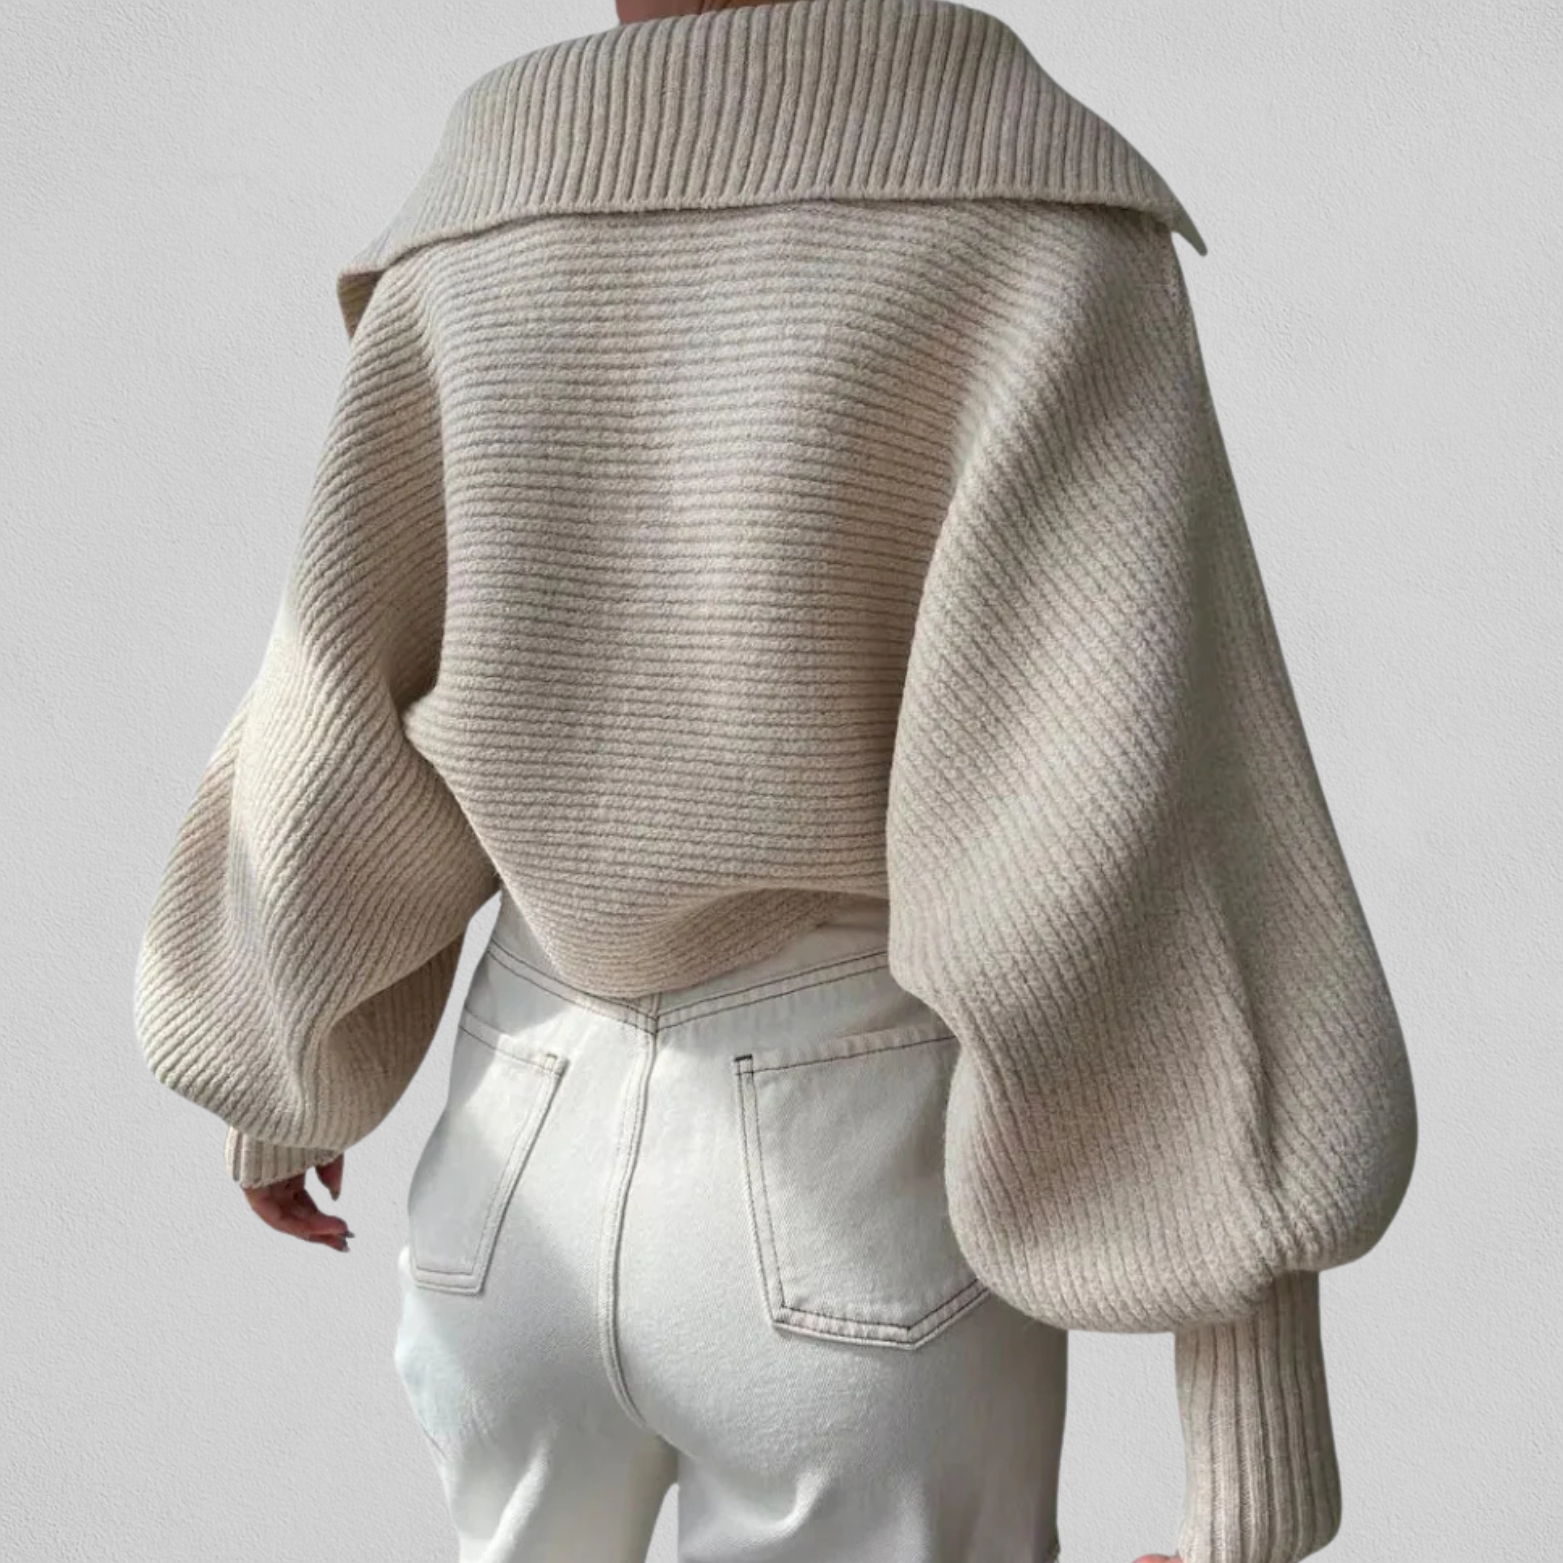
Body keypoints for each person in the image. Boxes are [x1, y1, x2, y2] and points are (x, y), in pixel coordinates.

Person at [131, 1, 1418, 1560]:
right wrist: (1249, 1455)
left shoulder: (469, 235)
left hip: (510, 1185)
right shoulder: (1034, 234)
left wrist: (279, 1074)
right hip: (858, 1204)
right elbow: (1148, 823)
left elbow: (332, 707)